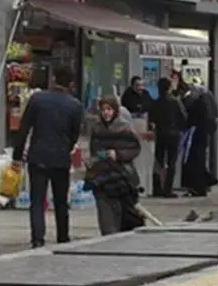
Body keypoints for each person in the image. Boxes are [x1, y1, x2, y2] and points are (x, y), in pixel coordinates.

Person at [13, 66, 84, 248]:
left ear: (53, 79)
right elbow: (75, 133)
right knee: (61, 201)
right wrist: (66, 148)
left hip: (38, 156)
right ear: (71, 84)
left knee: (37, 200)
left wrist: (17, 155)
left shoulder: (37, 100)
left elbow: (24, 129)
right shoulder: (74, 105)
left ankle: (38, 239)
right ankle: (62, 237)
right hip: (60, 158)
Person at [85, 97, 143, 235]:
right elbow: (94, 149)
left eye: (109, 109)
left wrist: (118, 154)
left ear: (115, 110)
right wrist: (93, 161)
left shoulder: (124, 128)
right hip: (102, 177)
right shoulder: (96, 128)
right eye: (103, 109)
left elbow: (135, 148)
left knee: (124, 214)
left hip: (121, 177)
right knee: (106, 215)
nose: (106, 113)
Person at [148, 77, 186, 197]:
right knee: (171, 162)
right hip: (174, 134)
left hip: (160, 133)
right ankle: (168, 189)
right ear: (169, 87)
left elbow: (151, 119)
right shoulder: (175, 102)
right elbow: (184, 117)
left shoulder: (155, 103)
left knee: (159, 161)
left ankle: (157, 188)